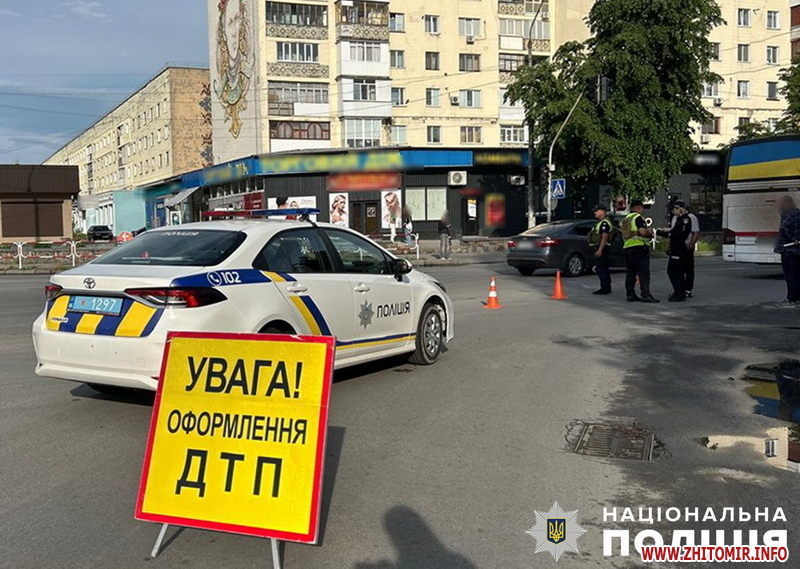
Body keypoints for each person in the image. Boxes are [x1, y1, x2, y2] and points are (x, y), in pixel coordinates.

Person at [621, 199, 659, 303]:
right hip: (639, 247)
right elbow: (642, 232)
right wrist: (650, 233)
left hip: (628, 247)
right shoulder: (638, 218)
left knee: (630, 273)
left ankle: (630, 294)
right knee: (643, 273)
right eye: (642, 208)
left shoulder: (626, 219)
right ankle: (645, 295)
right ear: (638, 208)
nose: (643, 210)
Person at [657, 201, 694, 302]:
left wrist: (669, 232)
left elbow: (681, 234)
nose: (673, 211)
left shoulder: (685, 219)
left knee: (673, 271)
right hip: (675, 247)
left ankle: (679, 293)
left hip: (679, 248)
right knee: (678, 271)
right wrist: (664, 232)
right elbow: (675, 232)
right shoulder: (678, 219)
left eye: (674, 209)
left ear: (680, 209)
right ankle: (679, 292)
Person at [669, 200, 699, 297]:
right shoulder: (675, 218)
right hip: (677, 246)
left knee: (688, 268)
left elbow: (695, 232)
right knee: (678, 269)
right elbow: (673, 233)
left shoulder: (691, 217)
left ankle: (688, 289)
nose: (673, 211)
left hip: (686, 245)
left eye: (675, 209)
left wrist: (691, 244)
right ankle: (680, 288)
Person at [775, 195, 800, 307]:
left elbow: (783, 228)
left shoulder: (788, 213)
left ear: (785, 204)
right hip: (797, 250)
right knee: (797, 275)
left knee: (790, 276)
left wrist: (792, 239)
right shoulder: (798, 213)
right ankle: (797, 298)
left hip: (788, 248)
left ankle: (791, 299)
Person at [588, 204, 614, 295]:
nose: (594, 213)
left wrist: (600, 249)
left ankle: (605, 288)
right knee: (602, 268)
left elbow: (604, 236)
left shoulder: (604, 223)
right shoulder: (600, 222)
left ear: (602, 212)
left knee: (602, 268)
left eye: (596, 211)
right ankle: (606, 287)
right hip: (600, 247)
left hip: (603, 248)